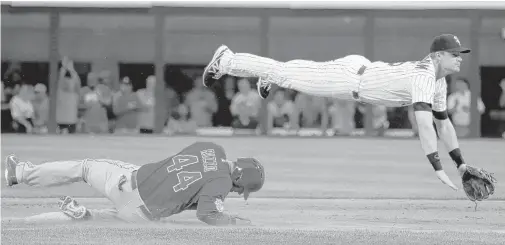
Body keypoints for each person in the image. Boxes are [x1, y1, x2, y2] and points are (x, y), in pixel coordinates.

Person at [202, 34, 496, 201]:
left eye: (460, 53)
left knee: (295, 73)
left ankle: (267, 73)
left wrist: (460, 163)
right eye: (453, 53)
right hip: (349, 81)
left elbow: (442, 123)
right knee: (286, 73)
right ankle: (227, 59)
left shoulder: (439, 82)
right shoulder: (424, 75)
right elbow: (423, 123)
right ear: (436, 57)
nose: (459, 57)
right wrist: (436, 167)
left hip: (359, 72)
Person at [4, 141, 265, 226]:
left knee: (83, 168)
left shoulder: (211, 147)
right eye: (240, 188)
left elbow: (191, 187)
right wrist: (234, 221)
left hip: (127, 182)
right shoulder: (220, 182)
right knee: (94, 219)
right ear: (239, 179)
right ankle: (26, 224)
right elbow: (207, 213)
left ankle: (20, 174)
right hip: (140, 213)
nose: (236, 191)